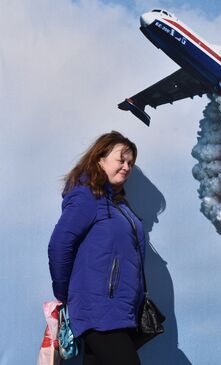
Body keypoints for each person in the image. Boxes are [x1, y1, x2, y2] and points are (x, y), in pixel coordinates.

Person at [48, 131, 147, 365]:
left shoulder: (119, 204)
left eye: (130, 163)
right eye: (120, 160)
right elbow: (59, 245)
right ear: (100, 159)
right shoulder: (87, 196)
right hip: (99, 310)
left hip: (121, 310)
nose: (126, 167)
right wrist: (63, 293)